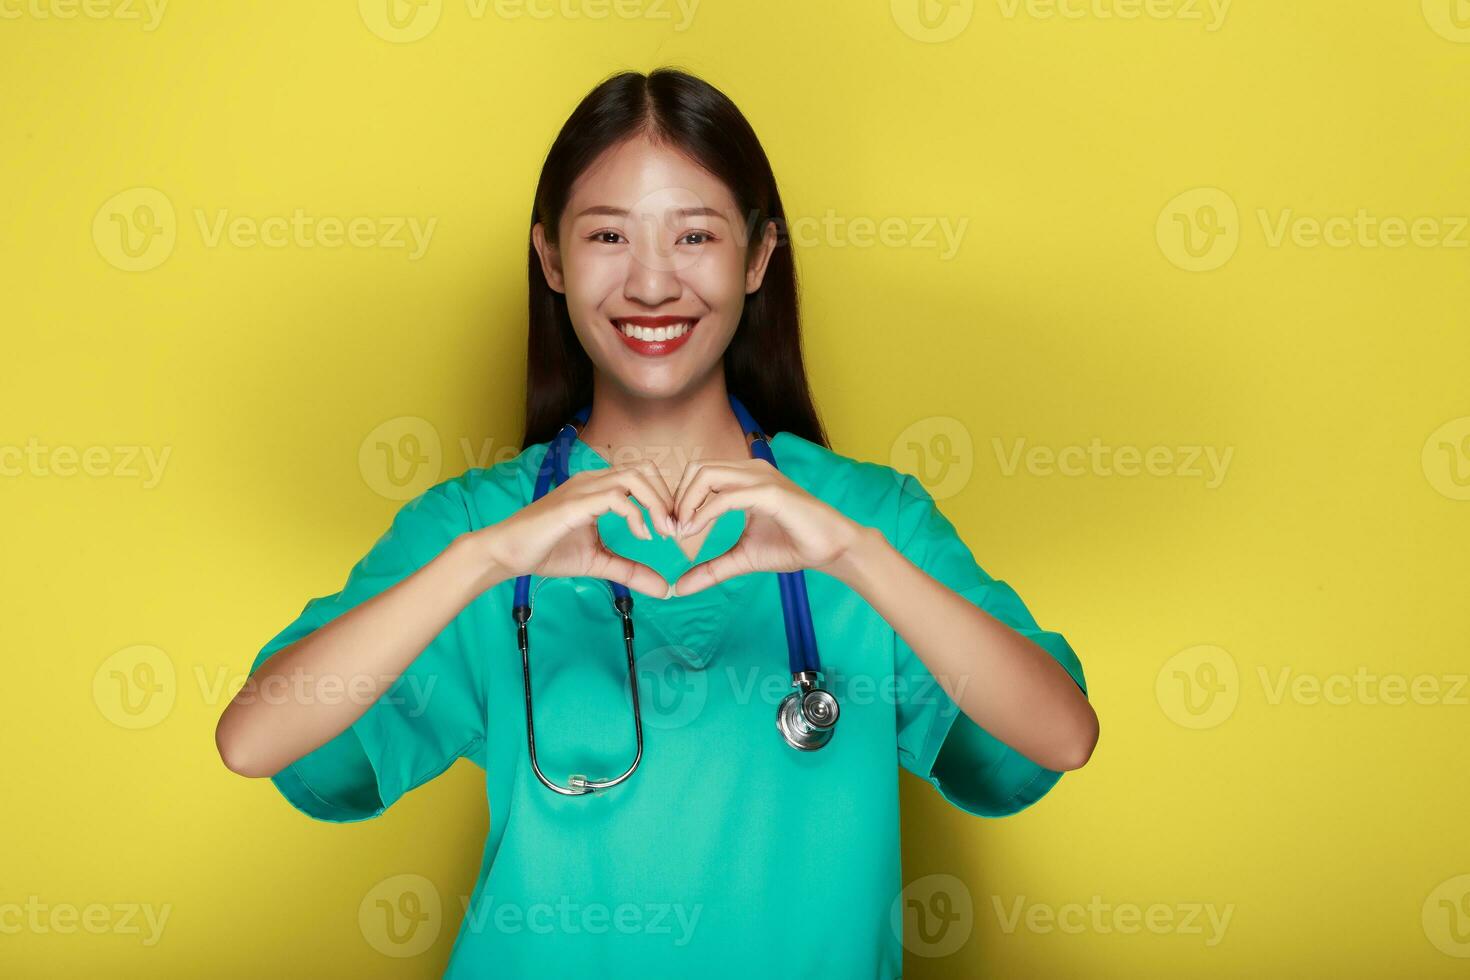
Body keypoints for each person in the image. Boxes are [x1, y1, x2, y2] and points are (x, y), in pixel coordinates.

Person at [215, 66, 1098, 978]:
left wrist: (855, 556)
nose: (649, 282)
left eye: (694, 236)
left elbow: (1059, 735)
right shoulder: (480, 526)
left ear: (757, 257)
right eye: (606, 235)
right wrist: (480, 561)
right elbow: (257, 739)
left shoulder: (870, 522)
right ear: (551, 259)